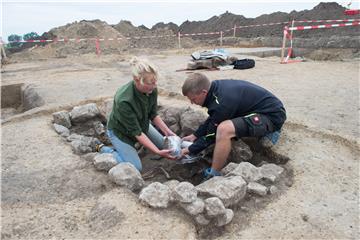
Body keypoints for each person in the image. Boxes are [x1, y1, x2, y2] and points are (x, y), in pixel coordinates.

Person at [180, 73, 286, 180]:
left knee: (224, 130)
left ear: (204, 92)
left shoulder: (222, 101)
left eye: (193, 99)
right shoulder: (215, 90)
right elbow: (214, 118)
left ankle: (214, 173)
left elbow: (212, 135)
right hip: (256, 110)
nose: (192, 103)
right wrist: (195, 135)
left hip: (272, 116)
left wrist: (190, 149)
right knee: (221, 125)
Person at [97, 57, 176, 171]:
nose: (154, 86)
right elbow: (137, 133)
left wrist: (167, 131)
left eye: (155, 82)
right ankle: (104, 150)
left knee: (164, 145)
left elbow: (153, 114)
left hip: (141, 124)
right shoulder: (124, 100)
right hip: (120, 132)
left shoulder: (152, 89)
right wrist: (157, 152)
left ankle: (134, 149)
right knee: (135, 167)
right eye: (150, 83)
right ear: (137, 79)